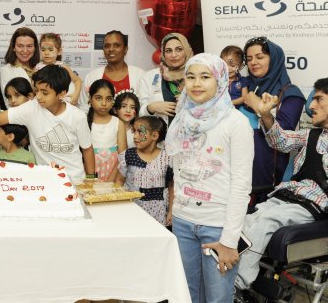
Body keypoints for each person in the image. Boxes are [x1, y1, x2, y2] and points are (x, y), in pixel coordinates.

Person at [166, 53, 254, 303]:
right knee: (185, 296)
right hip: (183, 222)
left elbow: (241, 185)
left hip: (218, 226)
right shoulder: (182, 120)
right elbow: (178, 172)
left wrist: (229, 241)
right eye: (190, 77)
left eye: (205, 77)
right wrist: (175, 210)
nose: (196, 83)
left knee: (218, 299)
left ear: (220, 80)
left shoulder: (236, 123)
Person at [235, 78, 328, 292]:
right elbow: (280, 141)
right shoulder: (310, 135)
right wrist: (266, 114)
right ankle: (226, 273)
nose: (311, 106)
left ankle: (237, 284)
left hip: (312, 206)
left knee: (266, 221)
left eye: (318, 99)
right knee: (245, 220)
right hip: (285, 197)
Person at [0, 65, 95, 184]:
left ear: (62, 94)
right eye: (37, 91)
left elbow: (87, 149)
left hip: (75, 180)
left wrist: (91, 179)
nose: (38, 97)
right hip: (44, 181)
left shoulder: (77, 116)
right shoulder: (31, 108)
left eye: (45, 93)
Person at [242, 37, 305, 194]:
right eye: (249, 59)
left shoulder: (291, 94)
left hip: (267, 176)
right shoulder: (241, 87)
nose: (253, 62)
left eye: (260, 57)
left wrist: (258, 107)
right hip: (235, 170)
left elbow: (283, 136)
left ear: (274, 59)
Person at [113, 116, 173, 226]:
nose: (135, 136)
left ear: (154, 136)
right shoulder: (128, 155)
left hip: (158, 214)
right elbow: (119, 181)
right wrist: (118, 205)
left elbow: (171, 186)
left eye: (140, 132)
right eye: (134, 131)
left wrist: (170, 211)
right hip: (132, 210)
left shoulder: (167, 158)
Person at [78, 30, 146, 112]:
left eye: (116, 45)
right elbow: (84, 107)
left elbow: (145, 107)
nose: (111, 49)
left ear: (125, 49)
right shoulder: (92, 76)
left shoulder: (141, 76)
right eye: (107, 46)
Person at [138, 32, 194, 125]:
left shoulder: (197, 74)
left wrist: (189, 101)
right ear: (163, 54)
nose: (174, 55)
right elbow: (139, 113)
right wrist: (151, 108)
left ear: (186, 51)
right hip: (161, 133)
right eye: (168, 51)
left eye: (179, 49)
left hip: (192, 131)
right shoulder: (149, 77)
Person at [87, 79, 127, 181]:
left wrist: (110, 181)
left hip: (113, 173)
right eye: (99, 98)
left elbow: (122, 156)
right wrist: (91, 180)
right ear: (90, 99)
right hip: (89, 174)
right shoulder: (83, 122)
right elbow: (82, 156)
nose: (104, 103)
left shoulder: (118, 123)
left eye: (108, 99)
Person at [36, 33, 82, 105]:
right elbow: (34, 87)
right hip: (44, 103)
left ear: (59, 51)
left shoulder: (62, 67)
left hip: (63, 103)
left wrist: (75, 96)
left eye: (50, 50)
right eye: (43, 50)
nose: (46, 53)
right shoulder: (38, 68)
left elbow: (78, 80)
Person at [0, 27, 40, 107]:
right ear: (13, 47)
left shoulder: (42, 67)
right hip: (20, 114)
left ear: (35, 48)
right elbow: (9, 103)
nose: (25, 50)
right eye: (20, 46)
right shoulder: (7, 70)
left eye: (29, 46)